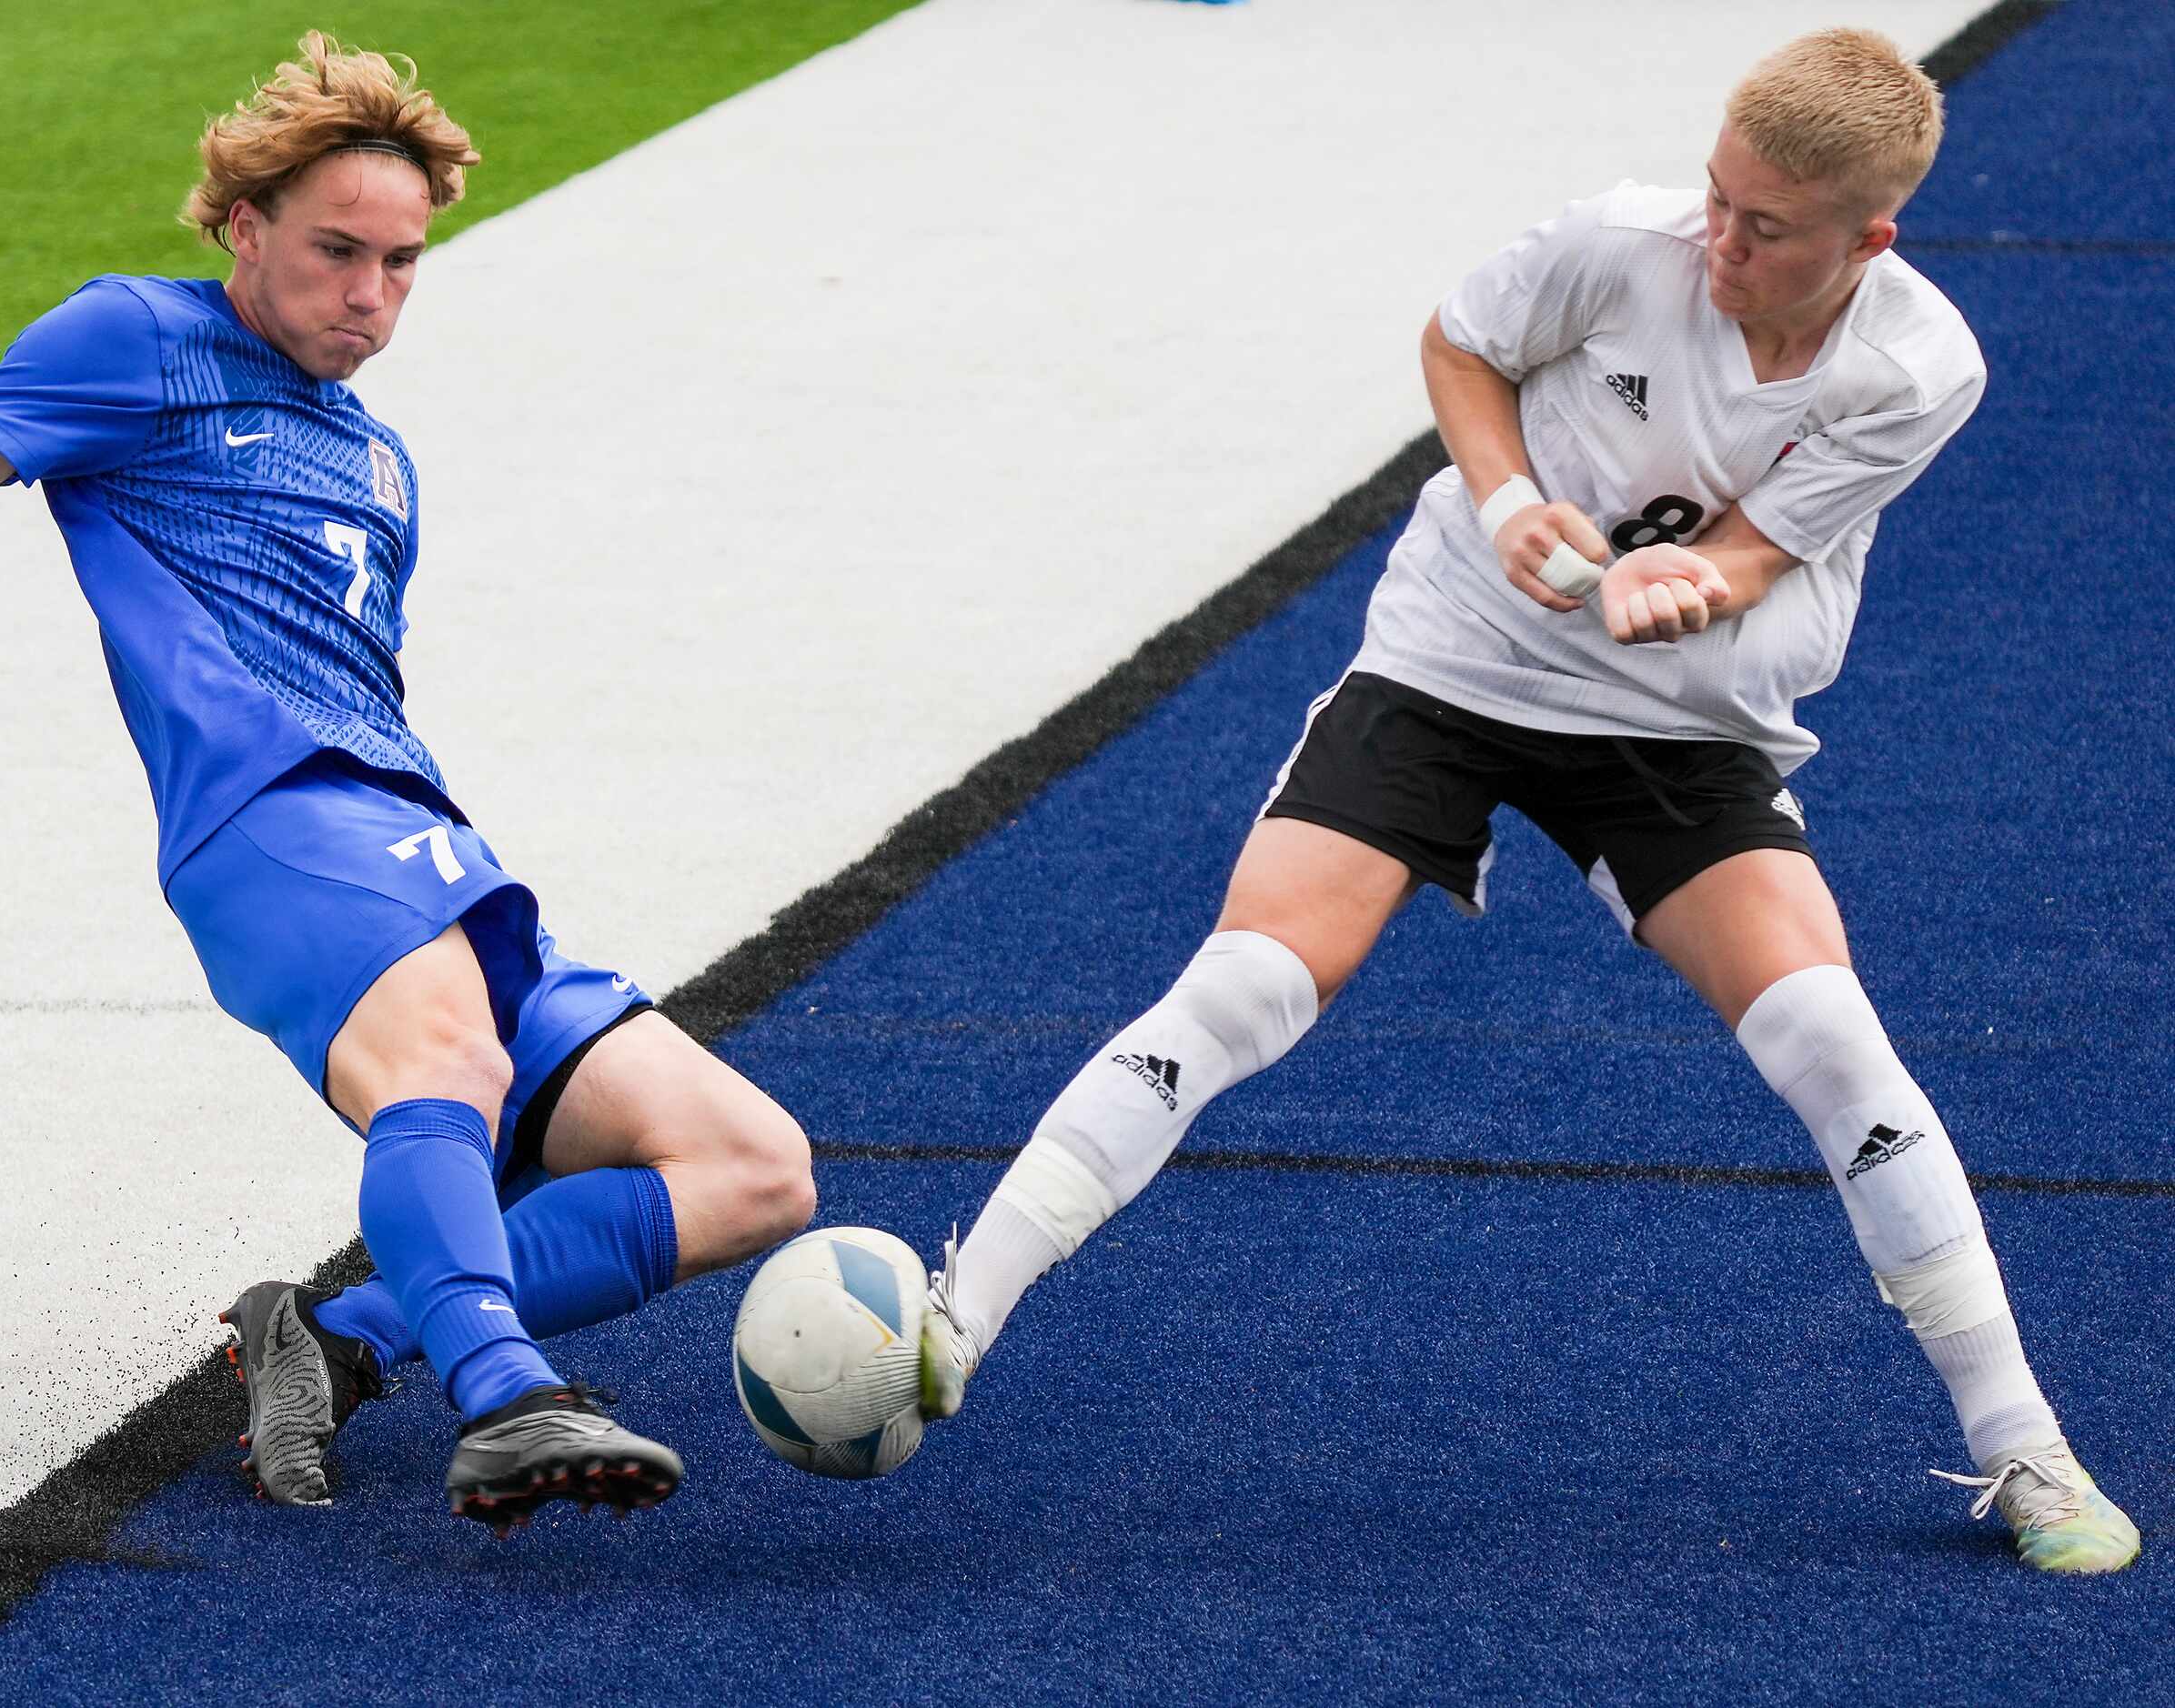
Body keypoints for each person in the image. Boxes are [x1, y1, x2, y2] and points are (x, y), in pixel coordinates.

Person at [0, 34, 814, 1534]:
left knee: (753, 1165)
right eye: (334, 253)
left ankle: (339, 1338)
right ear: (242, 225)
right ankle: (505, 1391)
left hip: (422, 836)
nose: (369, 297)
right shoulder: (134, 340)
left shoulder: (383, 463)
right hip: (273, 820)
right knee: (442, 1057)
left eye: (400, 263)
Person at [915, 27, 2137, 1575]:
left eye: (1764, 228)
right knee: (1251, 980)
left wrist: (1682, 586)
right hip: (1453, 659)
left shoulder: (1920, 367)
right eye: (1718, 197)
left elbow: (1758, 551)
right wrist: (1506, 505)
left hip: (1680, 717)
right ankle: (951, 1323)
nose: (1721, 241)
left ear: (1867, 240)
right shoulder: (1621, 244)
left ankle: (2025, 1446)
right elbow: (1456, 342)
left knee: (1833, 1036)